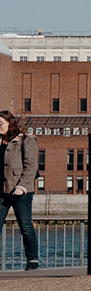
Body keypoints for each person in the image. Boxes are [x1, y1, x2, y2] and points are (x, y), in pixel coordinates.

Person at [0, 110, 40, 271]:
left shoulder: (25, 140)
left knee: (25, 225)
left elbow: (31, 166)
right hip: (1, 190)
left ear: (10, 124)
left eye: (1, 124)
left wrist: (22, 186)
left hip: (20, 190)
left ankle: (33, 260)